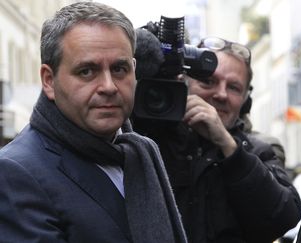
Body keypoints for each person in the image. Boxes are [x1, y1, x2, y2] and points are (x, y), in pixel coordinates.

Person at [0, 2, 187, 243]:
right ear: (49, 81)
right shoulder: (15, 173)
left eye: (119, 69)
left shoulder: (140, 153)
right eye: (87, 71)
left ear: (134, 70)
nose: (108, 86)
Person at [133, 36, 301, 243]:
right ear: (183, 83)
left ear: (245, 101)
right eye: (208, 81)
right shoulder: (150, 138)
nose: (221, 94)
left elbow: (283, 218)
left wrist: (228, 146)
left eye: (233, 87)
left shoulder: (257, 151)